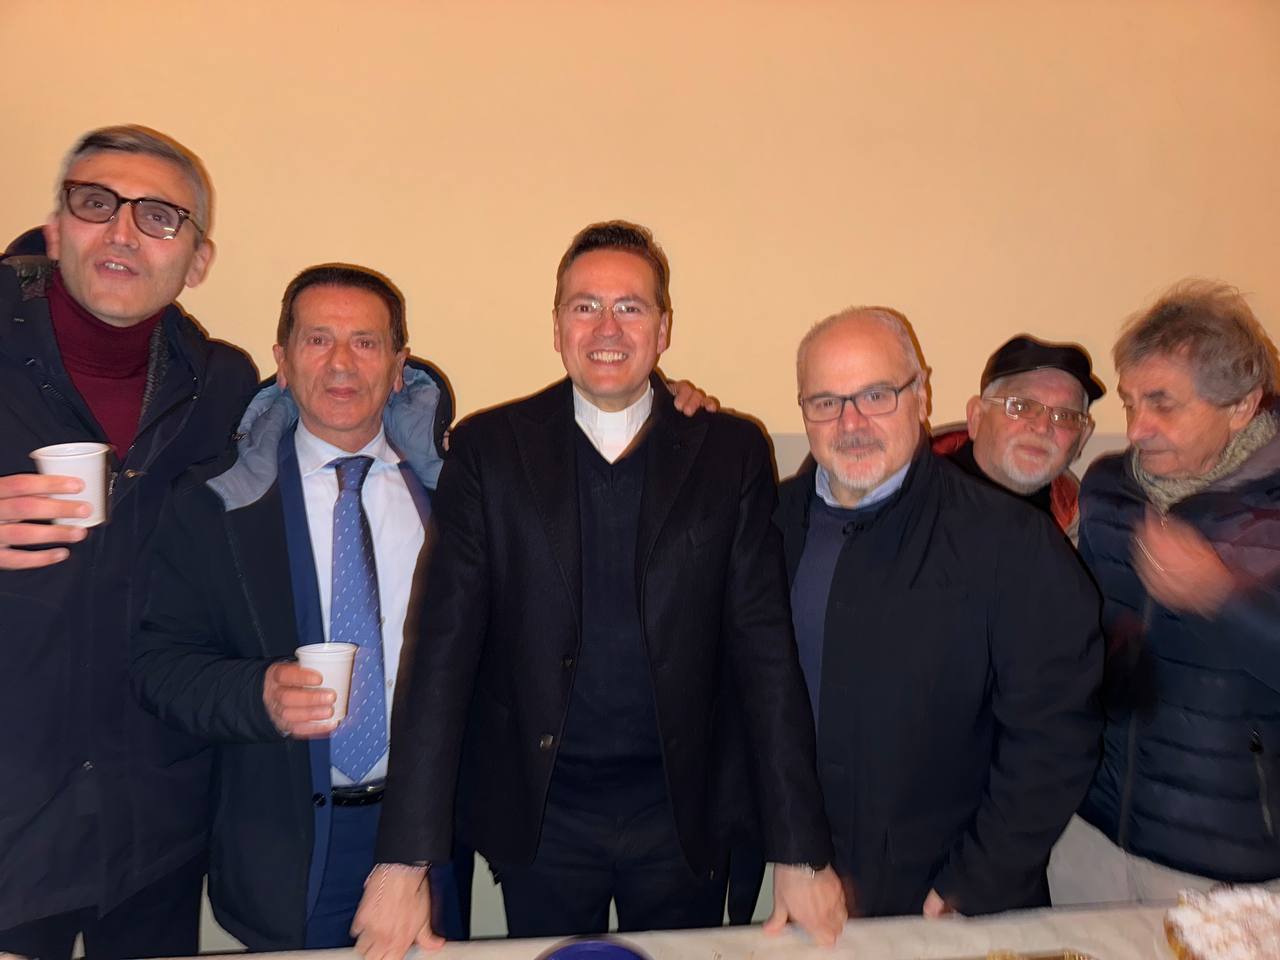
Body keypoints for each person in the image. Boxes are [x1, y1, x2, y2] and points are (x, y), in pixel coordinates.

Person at [352, 220, 845, 959]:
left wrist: (800, 850)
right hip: (543, 816)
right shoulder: (490, 450)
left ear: (663, 329)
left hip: (684, 815)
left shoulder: (729, 451)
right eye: (585, 306)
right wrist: (402, 860)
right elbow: (439, 656)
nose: (607, 328)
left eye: (630, 307)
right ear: (557, 326)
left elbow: (765, 653)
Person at [130, 264, 473, 950]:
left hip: (426, 831)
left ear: (399, 367)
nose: (341, 363)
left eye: (366, 342)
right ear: (282, 363)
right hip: (282, 842)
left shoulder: (458, 495)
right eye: (317, 340)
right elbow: (157, 665)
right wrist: (255, 691)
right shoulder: (214, 505)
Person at [0, 126, 258, 959]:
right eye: (96, 203)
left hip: (154, 827)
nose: (121, 231)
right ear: (55, 229)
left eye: (158, 216)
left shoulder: (222, 387)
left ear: (198, 259)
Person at [778, 307, 1101, 917]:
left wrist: (974, 882)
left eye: (877, 395)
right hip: (794, 879)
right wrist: (791, 856)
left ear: (921, 395)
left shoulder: (1013, 544)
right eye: (826, 402)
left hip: (949, 898)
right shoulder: (766, 525)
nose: (851, 422)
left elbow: (1055, 738)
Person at [1048, 280, 1280, 904]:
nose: (1136, 430)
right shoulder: (1109, 488)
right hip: (1091, 831)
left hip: (1224, 860)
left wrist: (1221, 598)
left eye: (1162, 404)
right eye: (1129, 403)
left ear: (1241, 406)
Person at [932, 335, 1103, 540]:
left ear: (1082, 439)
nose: (1042, 427)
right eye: (1022, 406)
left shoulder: (1089, 537)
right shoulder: (911, 505)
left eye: (1065, 416)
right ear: (976, 417)